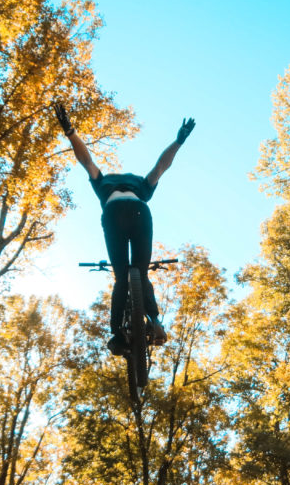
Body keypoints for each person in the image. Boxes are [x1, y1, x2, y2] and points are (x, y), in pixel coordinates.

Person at [53, 102, 195, 355]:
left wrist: (70, 131)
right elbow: (161, 167)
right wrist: (179, 141)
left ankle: (118, 334)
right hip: (140, 212)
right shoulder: (141, 184)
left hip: (113, 213)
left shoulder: (104, 183)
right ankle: (154, 320)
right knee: (141, 272)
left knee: (122, 279)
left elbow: (86, 161)